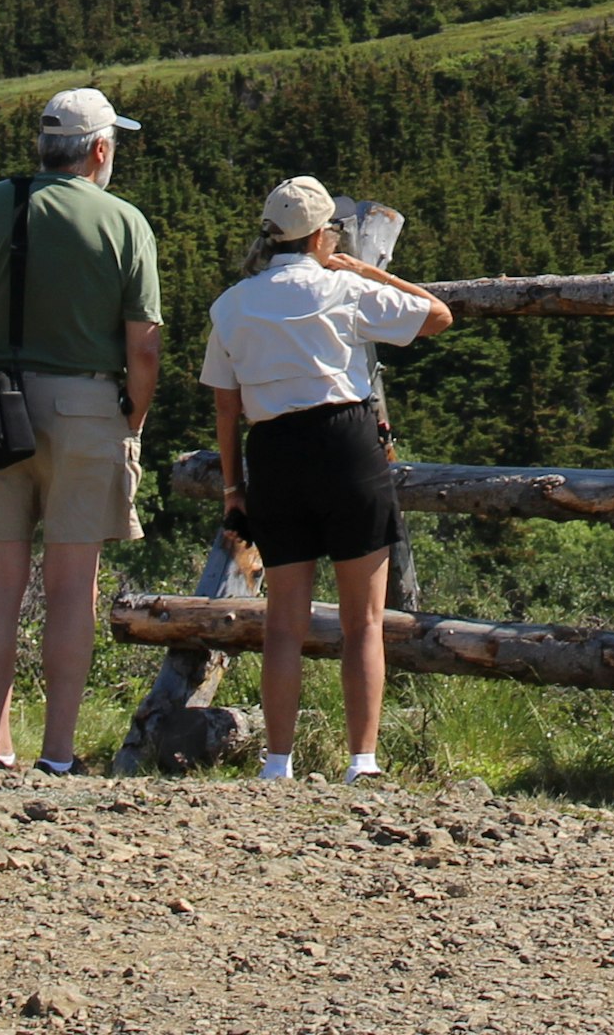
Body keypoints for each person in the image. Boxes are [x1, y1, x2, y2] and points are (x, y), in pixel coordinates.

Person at [0, 86, 164, 774]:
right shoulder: (124, 222)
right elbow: (143, 344)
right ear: (98, 150)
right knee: (72, 584)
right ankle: (57, 753)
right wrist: (133, 418)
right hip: (88, 407)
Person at [201, 176, 454, 783]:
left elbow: (226, 406)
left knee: (284, 619)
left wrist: (235, 489)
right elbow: (438, 317)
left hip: (276, 452)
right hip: (346, 445)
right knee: (361, 618)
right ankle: (361, 760)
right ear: (321, 235)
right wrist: (369, 273)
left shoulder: (232, 304)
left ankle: (278, 761)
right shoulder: (344, 288)